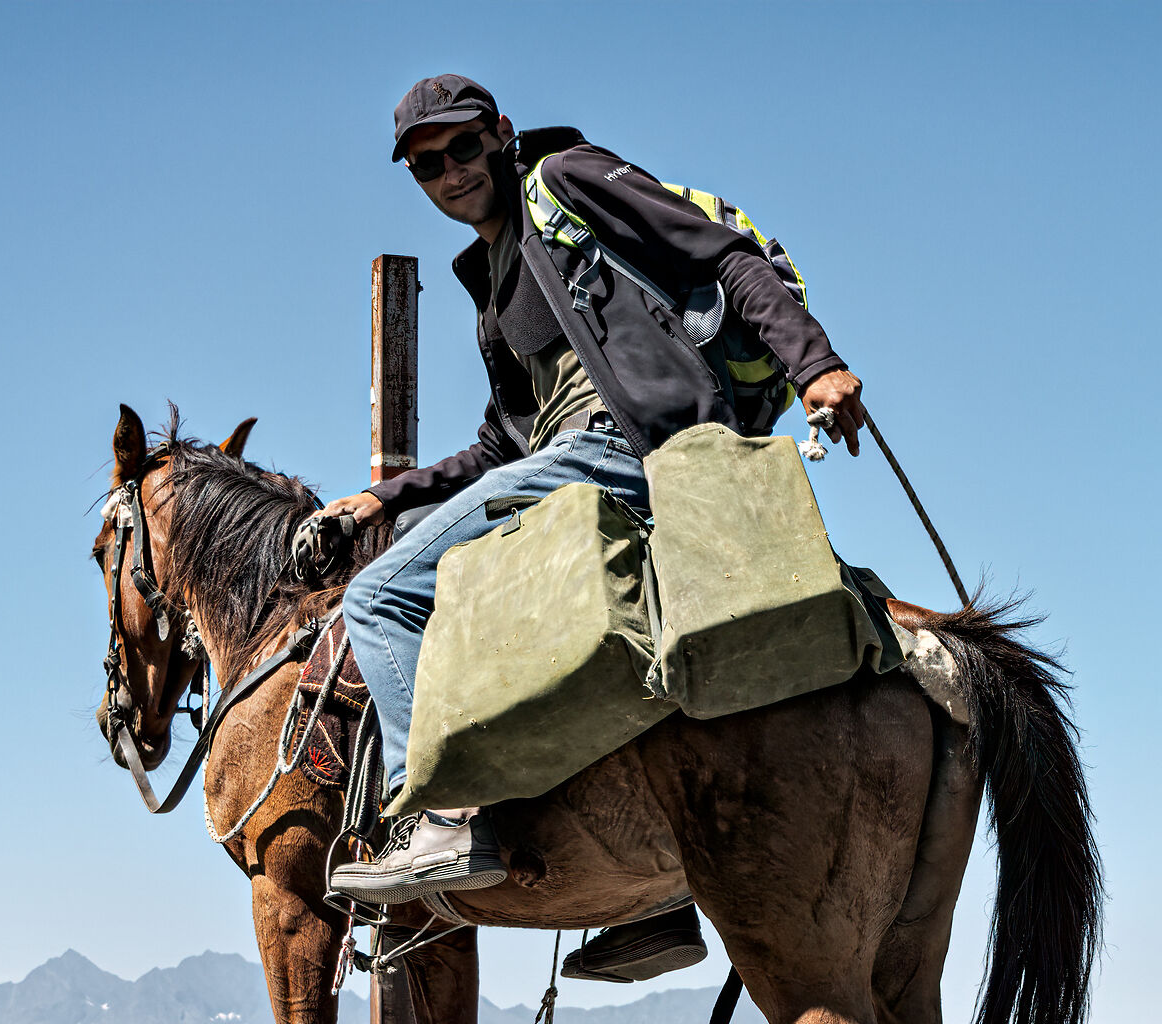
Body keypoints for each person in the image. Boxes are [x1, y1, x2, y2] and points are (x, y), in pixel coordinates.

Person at [321, 75, 864, 969]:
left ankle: (441, 819)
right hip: (564, 462)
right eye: (426, 166)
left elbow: (724, 255)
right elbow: (502, 442)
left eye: (461, 147)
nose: (449, 172)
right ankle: (649, 902)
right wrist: (388, 495)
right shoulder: (489, 278)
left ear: (498, 133)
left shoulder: (565, 177)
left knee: (380, 598)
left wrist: (816, 364)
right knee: (558, 653)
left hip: (622, 448)